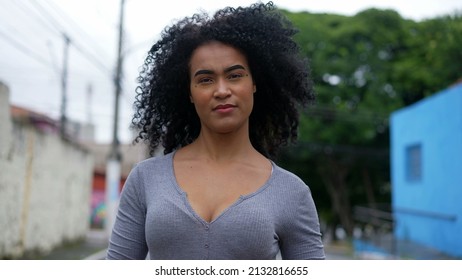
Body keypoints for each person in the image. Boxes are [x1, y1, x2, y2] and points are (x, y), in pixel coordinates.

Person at [106, 1, 325, 260]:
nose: (222, 90)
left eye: (235, 75)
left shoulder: (291, 192)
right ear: (189, 92)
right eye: (205, 79)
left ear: (255, 83)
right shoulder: (146, 179)